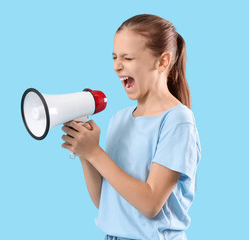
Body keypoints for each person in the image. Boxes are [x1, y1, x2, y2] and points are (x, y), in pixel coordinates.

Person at [61, 14, 201, 240]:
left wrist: (95, 153)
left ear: (163, 61)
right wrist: (84, 154)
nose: (117, 66)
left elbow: (150, 203)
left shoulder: (177, 120)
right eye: (115, 56)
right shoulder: (120, 118)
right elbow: (104, 203)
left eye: (127, 57)